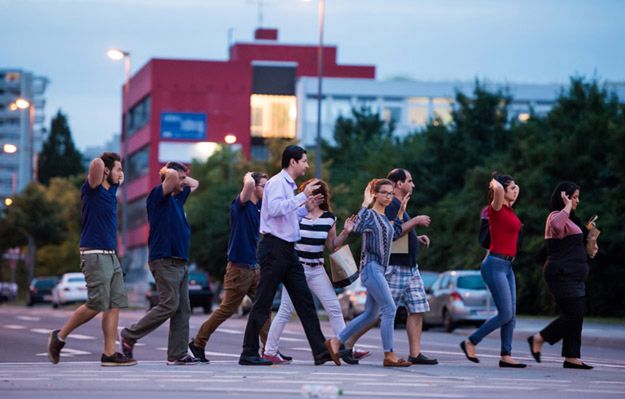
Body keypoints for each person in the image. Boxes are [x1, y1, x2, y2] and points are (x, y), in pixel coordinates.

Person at [239, 145, 341, 366]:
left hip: (288, 250)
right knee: (263, 302)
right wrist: (301, 197)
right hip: (274, 248)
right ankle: (248, 352)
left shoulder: (289, 186)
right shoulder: (277, 183)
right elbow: (274, 209)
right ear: (293, 162)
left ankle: (320, 351)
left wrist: (306, 207)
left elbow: (288, 217)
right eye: (304, 161)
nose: (307, 165)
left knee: (304, 301)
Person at [47, 152, 136, 367]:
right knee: (97, 303)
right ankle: (59, 337)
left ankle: (109, 354)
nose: (121, 173)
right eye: (118, 168)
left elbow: (116, 179)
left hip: (111, 255)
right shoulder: (92, 188)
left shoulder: (112, 190)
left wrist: (119, 174)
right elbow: (96, 165)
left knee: (114, 304)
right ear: (106, 171)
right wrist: (104, 165)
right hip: (93, 254)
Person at [342, 169, 438, 365]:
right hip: (392, 266)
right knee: (382, 311)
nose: (413, 185)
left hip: (409, 266)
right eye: (410, 181)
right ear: (399, 184)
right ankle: (347, 343)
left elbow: (392, 232)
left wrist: (415, 238)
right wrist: (416, 220)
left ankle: (414, 353)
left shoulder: (397, 205)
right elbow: (387, 231)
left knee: (416, 308)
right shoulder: (390, 204)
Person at [263, 179, 362, 364]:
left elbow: (332, 246)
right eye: (311, 192)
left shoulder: (329, 218)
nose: (314, 195)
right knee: (285, 310)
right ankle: (270, 351)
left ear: (323, 195)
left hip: (317, 269)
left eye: (318, 192)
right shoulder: (296, 214)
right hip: (296, 269)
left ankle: (345, 348)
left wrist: (346, 232)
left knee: (334, 307)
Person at [120, 161, 199, 365]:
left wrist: (183, 177)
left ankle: (177, 353)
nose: (183, 183)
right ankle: (130, 334)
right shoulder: (158, 196)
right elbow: (173, 179)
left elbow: (195, 183)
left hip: (180, 261)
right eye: (179, 179)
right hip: (165, 259)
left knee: (182, 309)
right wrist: (172, 174)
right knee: (169, 305)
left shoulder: (177, 200)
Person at [188, 172, 271, 363]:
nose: (266, 190)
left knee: (263, 308)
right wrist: (249, 175)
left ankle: (269, 349)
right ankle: (197, 344)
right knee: (226, 309)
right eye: (264, 186)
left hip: (254, 268)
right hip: (239, 269)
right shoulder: (240, 206)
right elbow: (249, 183)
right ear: (254, 187)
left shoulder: (258, 208)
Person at [329, 179, 411, 368]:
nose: (389, 196)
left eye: (391, 193)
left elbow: (395, 232)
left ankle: (335, 342)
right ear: (375, 194)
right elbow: (356, 227)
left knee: (370, 314)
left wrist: (400, 211)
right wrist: (365, 203)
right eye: (385, 193)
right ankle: (389, 355)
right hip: (371, 268)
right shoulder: (371, 216)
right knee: (389, 308)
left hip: (380, 269)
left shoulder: (383, 219)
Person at [460, 173, 526, 368]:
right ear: (502, 190)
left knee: (511, 314)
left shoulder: (510, 210)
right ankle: (471, 341)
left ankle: (506, 355)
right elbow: (497, 189)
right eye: (512, 188)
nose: (516, 190)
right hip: (494, 264)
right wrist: (495, 179)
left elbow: (509, 191)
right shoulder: (495, 209)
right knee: (505, 313)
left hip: (507, 266)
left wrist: (512, 187)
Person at [527, 182, 594, 369]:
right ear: (563, 197)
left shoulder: (573, 220)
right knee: (574, 313)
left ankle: (572, 357)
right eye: (574, 197)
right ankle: (539, 338)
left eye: (578, 197)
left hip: (575, 275)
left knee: (577, 316)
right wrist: (566, 206)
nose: (577, 201)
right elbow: (557, 226)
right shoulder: (555, 216)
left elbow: (578, 245)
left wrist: (591, 246)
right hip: (560, 273)